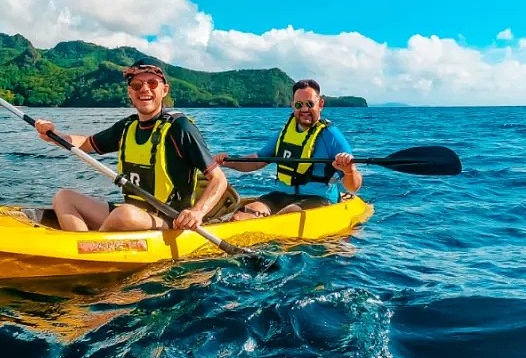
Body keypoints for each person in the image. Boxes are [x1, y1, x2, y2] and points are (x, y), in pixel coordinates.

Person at [32, 59, 229, 232]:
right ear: (130, 93)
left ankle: (95, 247)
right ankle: (82, 245)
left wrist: (197, 212)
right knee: (64, 197)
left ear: (164, 90)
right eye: (137, 85)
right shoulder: (127, 127)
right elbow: (85, 143)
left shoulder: (180, 128)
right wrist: (53, 135)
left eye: (152, 83)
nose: (144, 89)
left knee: (124, 215)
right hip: (131, 214)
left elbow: (219, 179)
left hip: (169, 220)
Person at [216, 78, 362, 218]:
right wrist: (227, 162)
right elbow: (257, 160)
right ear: (292, 105)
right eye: (299, 105)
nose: (304, 109)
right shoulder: (285, 133)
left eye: (310, 104)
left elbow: (354, 187)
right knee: (241, 216)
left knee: (288, 215)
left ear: (321, 104)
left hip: (318, 199)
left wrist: (349, 171)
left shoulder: (331, 136)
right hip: (281, 196)